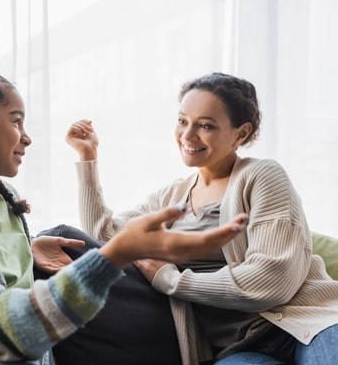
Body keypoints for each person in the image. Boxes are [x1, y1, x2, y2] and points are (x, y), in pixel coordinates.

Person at [0, 66, 248, 365]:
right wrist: (116, 254)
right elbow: (1, 326)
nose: (26, 138)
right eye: (15, 121)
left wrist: (27, 246)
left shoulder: (3, 198)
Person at [66, 72, 338, 365]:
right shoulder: (171, 197)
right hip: (239, 350)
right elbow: (104, 235)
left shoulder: (262, 176)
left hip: (309, 323)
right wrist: (87, 158)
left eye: (205, 125)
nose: (187, 135)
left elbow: (271, 281)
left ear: (241, 133)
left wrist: (170, 279)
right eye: (183, 121)